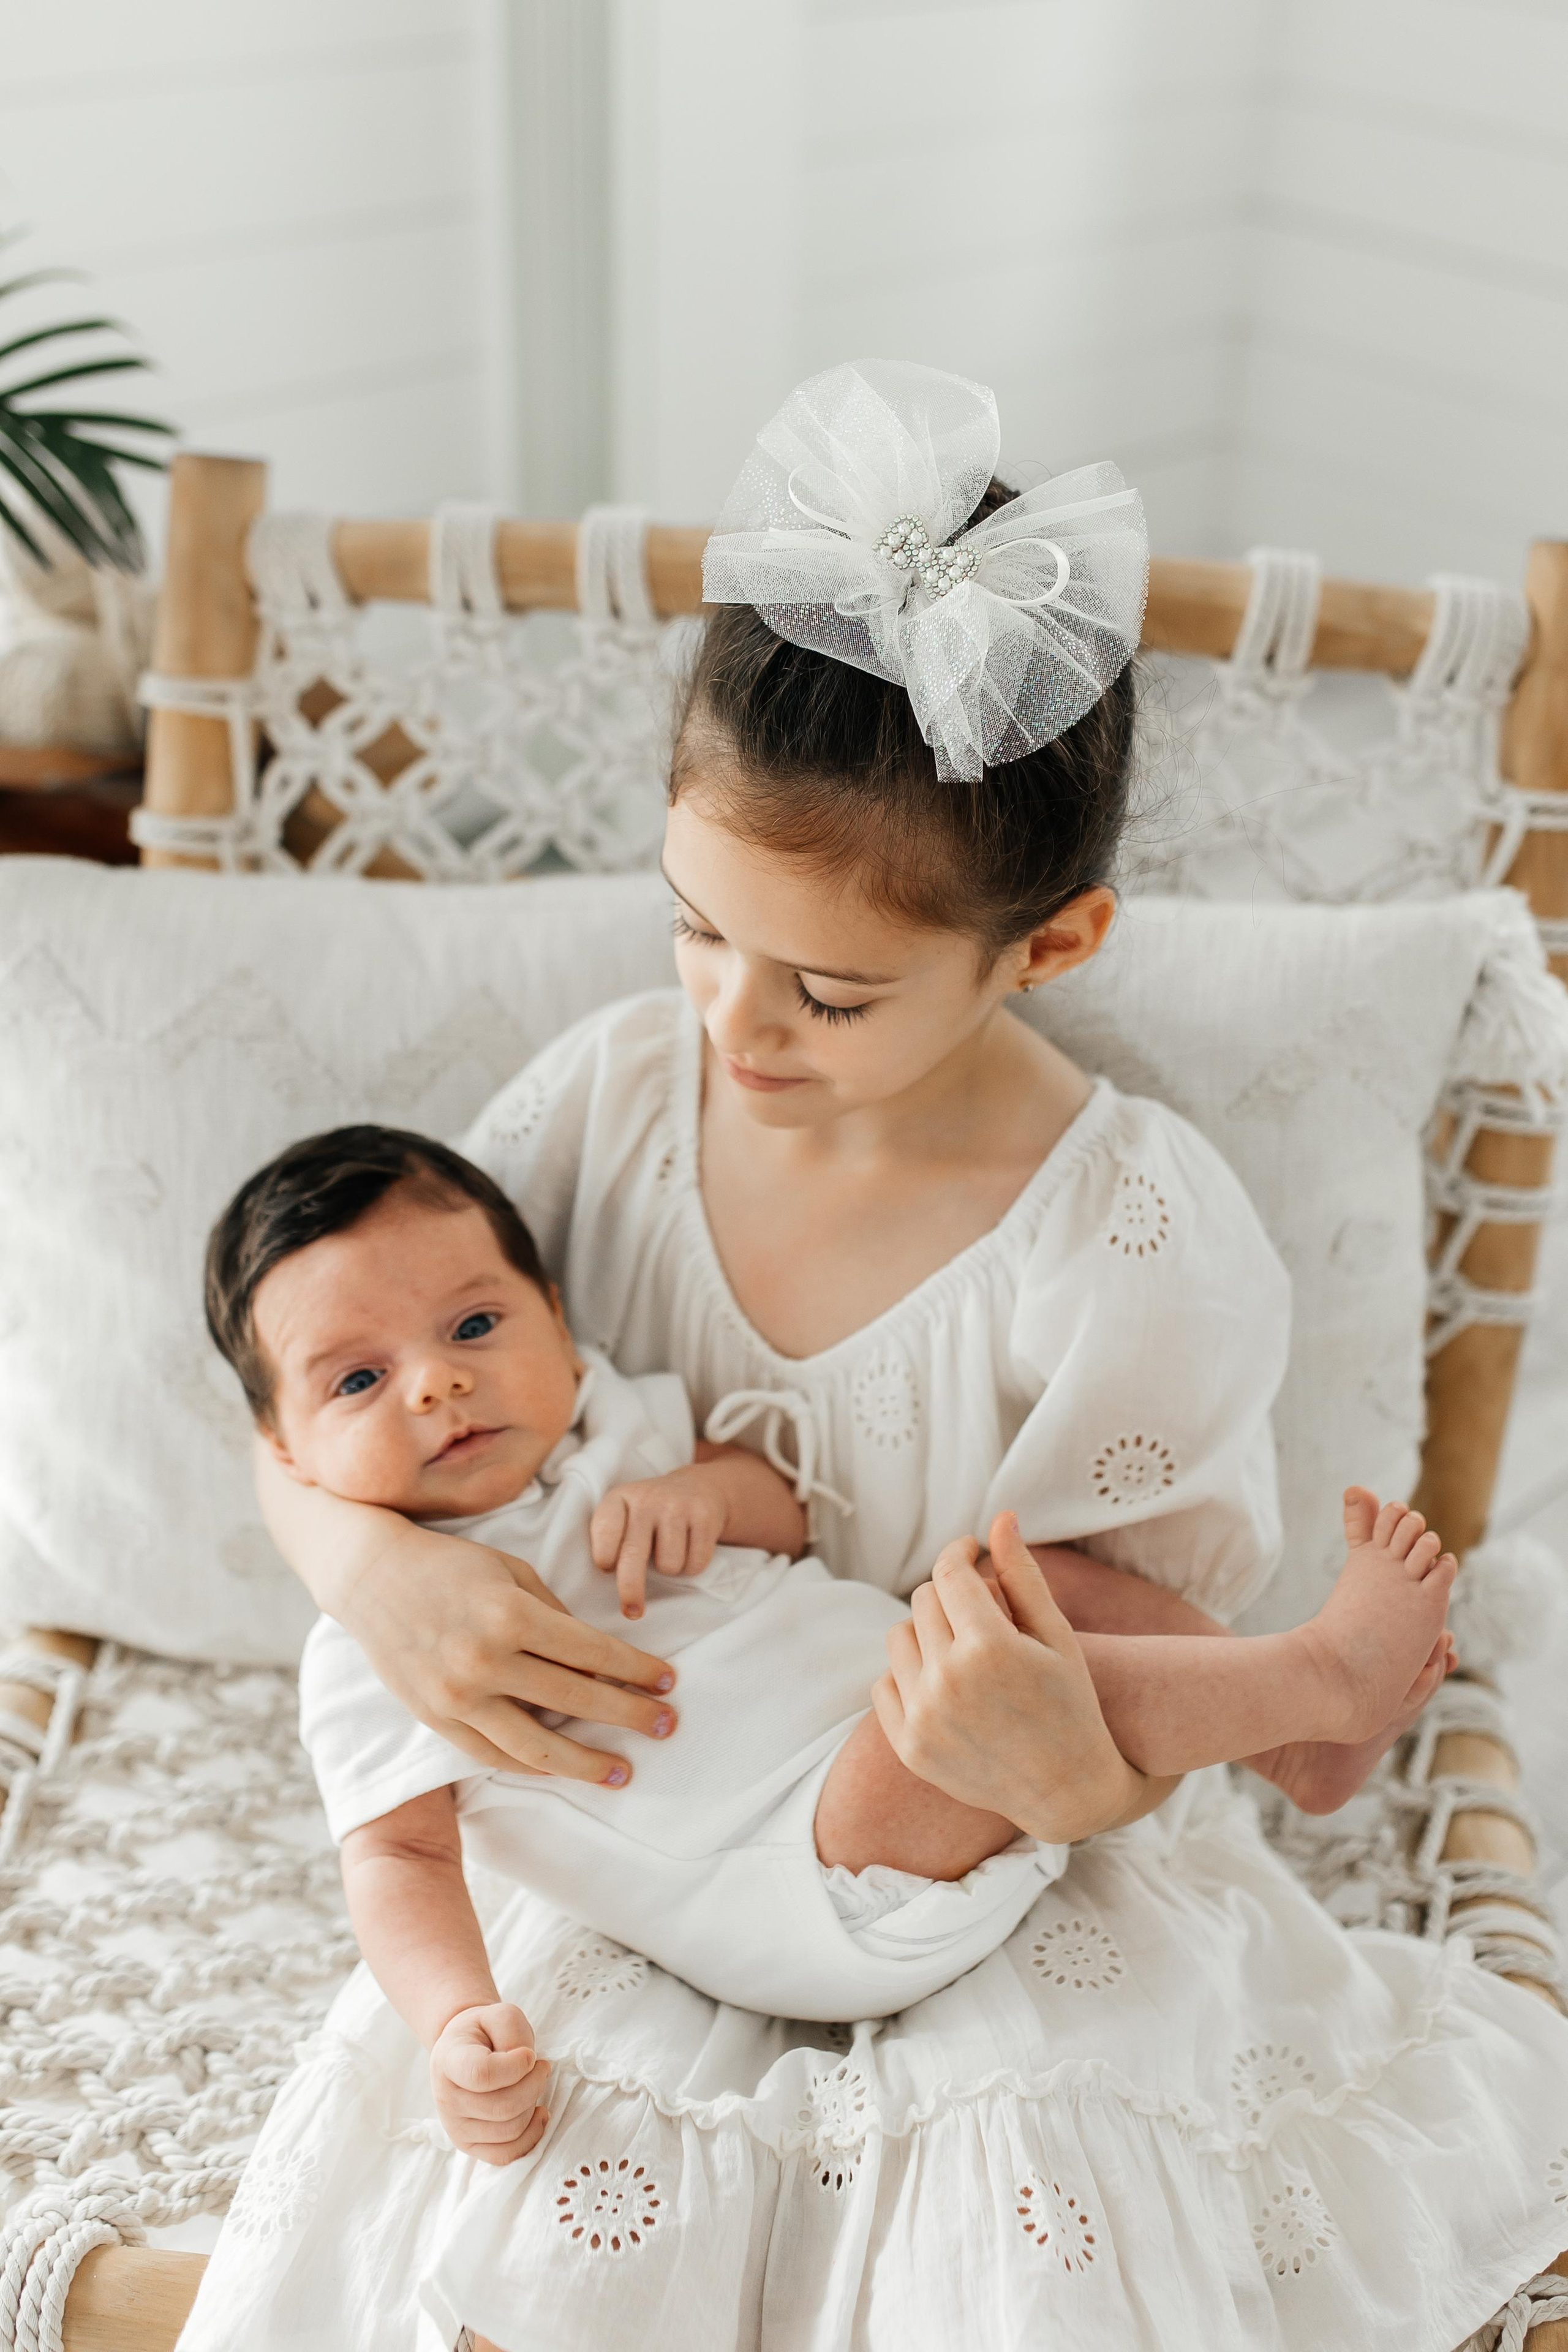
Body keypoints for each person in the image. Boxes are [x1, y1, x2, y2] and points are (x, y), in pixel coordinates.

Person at [178, 363, 1568, 2352]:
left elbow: (1103, 1631)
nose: (737, 1024)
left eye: (827, 987)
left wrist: (1063, 1765)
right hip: (696, 1832)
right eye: (695, 932)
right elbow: (329, 1346)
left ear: (1054, 948)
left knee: (1041, 1634)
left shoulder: (1129, 1240)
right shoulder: (616, 1107)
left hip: (1013, 1791)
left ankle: (1305, 1705)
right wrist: (371, 1566)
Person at [205, 1121, 1457, 2071]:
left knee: (1033, 1582)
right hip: (809, 1870)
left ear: (557, 1321)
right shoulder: (362, 1654)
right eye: (358, 1380)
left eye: (473, 1324)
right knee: (972, 1694)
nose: (435, 1386)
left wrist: (715, 1495)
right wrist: (455, 2017)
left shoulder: (619, 1425)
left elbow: (795, 1512)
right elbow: (396, 1858)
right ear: (287, 1453)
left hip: (903, 1716)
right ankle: (1318, 1676)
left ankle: (1297, 1743)